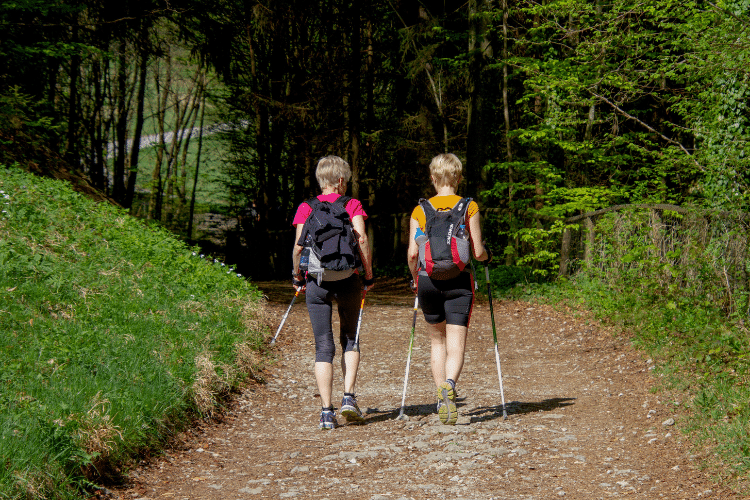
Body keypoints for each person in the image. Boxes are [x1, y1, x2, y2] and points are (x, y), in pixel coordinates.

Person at [406, 153, 492, 425]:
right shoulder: (469, 206)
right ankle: (450, 385)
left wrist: (414, 280)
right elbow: (477, 252)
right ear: (458, 177)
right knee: (456, 343)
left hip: (427, 280)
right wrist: (488, 256)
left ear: (432, 179)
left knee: (436, 341)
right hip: (459, 281)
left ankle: (441, 399)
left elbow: (412, 254)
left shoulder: (420, 211)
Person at [291, 155, 375, 430]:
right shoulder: (352, 205)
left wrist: (297, 276)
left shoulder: (306, 207)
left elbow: (299, 248)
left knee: (323, 346)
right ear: (340, 181)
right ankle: (348, 397)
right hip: (348, 278)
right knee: (350, 337)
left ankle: (326, 412)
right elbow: (361, 241)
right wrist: (368, 275)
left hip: (317, 282)